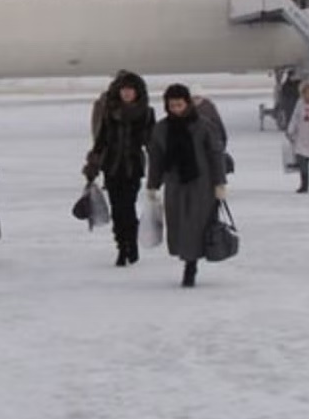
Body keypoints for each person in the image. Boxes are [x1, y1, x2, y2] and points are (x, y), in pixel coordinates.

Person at [146, 84, 227, 288]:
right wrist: (152, 185)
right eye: (172, 105)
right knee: (179, 224)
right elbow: (156, 158)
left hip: (201, 183)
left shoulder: (203, 125)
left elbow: (215, 155)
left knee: (195, 225)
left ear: (187, 103)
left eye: (179, 104)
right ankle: (187, 258)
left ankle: (190, 266)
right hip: (174, 184)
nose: (176, 109)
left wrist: (220, 182)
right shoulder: (161, 128)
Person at [84, 71, 155, 266]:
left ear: (137, 92)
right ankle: (121, 246)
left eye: (130, 90)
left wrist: (160, 164)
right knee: (117, 209)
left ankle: (131, 243)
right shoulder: (110, 111)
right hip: (112, 166)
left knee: (128, 207)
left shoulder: (146, 113)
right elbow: (101, 141)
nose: (127, 93)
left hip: (133, 167)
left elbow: (152, 143)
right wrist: (92, 165)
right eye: (124, 90)